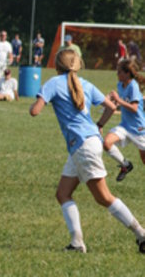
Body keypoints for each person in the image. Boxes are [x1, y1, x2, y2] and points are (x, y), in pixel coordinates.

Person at [29, 48, 145, 253]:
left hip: (82, 146)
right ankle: (76, 243)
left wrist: (37, 101)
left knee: (104, 197)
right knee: (63, 193)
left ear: (58, 65)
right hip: (86, 144)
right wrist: (99, 125)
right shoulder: (86, 84)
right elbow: (111, 107)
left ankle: (141, 234)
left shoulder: (53, 83)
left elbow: (35, 111)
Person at [102, 58, 145, 181]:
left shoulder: (133, 86)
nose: (117, 74)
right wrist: (110, 100)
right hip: (125, 126)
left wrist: (118, 100)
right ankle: (125, 165)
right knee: (107, 143)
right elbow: (120, 103)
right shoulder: (120, 85)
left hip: (138, 129)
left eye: (119, 72)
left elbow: (134, 108)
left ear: (127, 73)